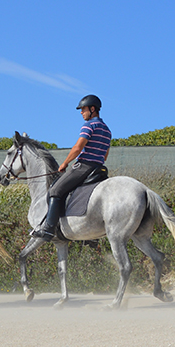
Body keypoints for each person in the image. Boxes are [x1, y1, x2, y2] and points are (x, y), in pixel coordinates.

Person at [32, 94, 111, 240]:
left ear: (92, 109)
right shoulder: (107, 130)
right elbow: (105, 156)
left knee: (55, 190)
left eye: (83, 109)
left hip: (85, 166)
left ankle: (49, 229)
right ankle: (91, 237)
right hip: (98, 169)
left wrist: (65, 163)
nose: (81, 112)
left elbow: (78, 147)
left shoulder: (89, 125)